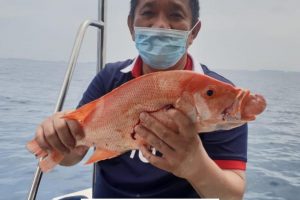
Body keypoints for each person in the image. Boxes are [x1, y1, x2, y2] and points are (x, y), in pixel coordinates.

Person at [34, 0, 247, 199]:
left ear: (194, 32)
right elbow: (75, 153)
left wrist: (196, 165)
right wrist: (57, 138)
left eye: (175, 14)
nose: (162, 25)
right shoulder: (110, 78)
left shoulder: (217, 95)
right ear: (131, 26)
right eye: (148, 13)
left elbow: (233, 194)